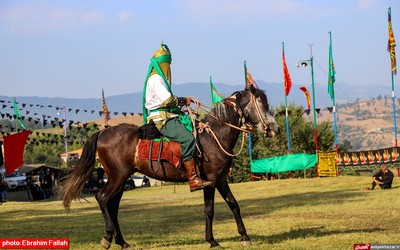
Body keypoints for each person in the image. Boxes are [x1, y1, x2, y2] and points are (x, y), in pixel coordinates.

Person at [142, 43, 211, 192]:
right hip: (162, 119)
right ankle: (193, 179)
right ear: (161, 64)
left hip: (168, 115)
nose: (168, 68)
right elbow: (167, 101)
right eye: (167, 64)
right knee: (187, 139)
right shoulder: (156, 79)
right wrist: (184, 100)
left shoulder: (158, 78)